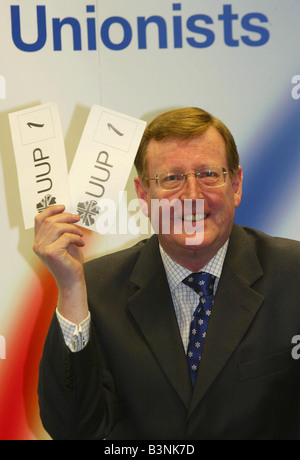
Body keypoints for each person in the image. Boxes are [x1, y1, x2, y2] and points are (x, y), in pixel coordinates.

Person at [34, 107, 300, 440]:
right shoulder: (96, 289)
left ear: (235, 184)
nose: (191, 195)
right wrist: (71, 289)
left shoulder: (294, 275)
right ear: (144, 196)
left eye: (208, 174)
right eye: (171, 178)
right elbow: (72, 427)